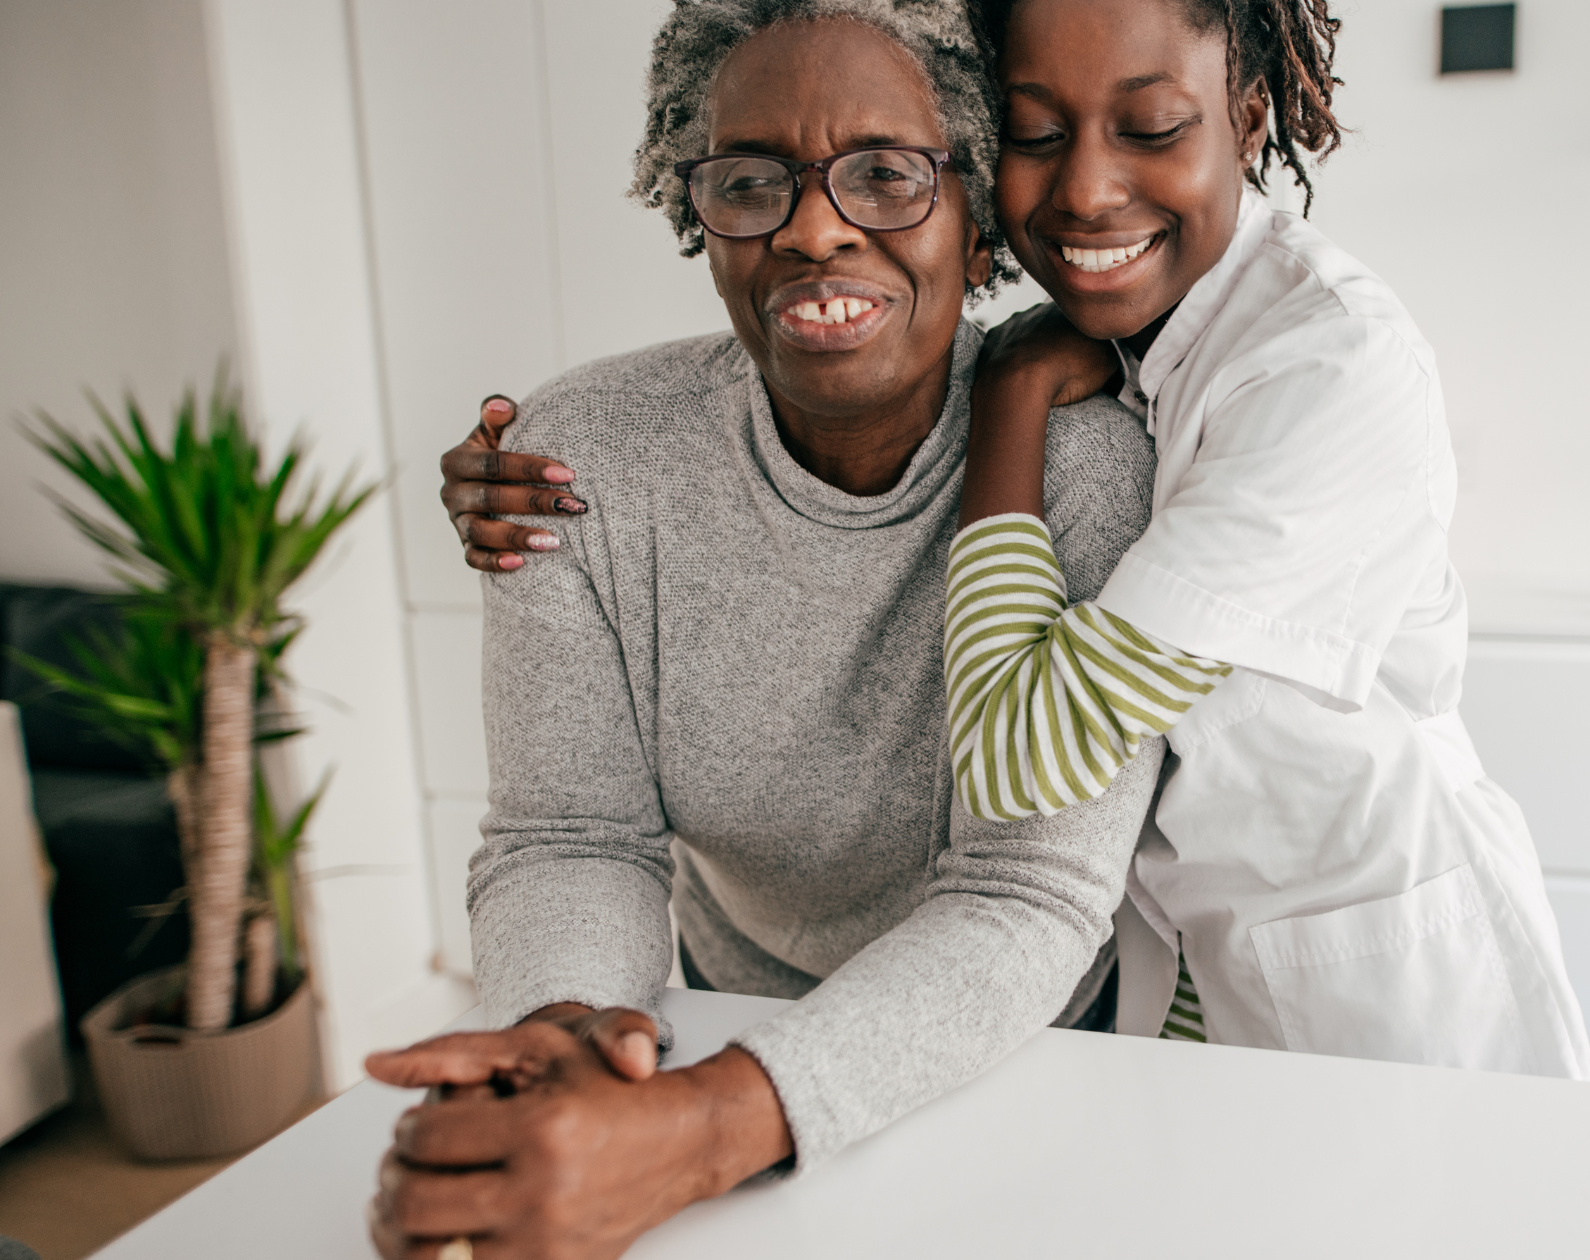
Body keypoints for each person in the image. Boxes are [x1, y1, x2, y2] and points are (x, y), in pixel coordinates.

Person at [366, 4, 1161, 1257]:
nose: (812, 227)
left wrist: (699, 1132)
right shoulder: (585, 463)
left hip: (1026, 1061)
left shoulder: (1090, 468)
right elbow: (571, 834)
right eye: (750, 181)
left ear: (974, 211)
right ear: (701, 214)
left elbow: (1026, 891)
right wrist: (565, 1035)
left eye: (886, 175)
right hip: (726, 1022)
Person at [944, 0, 1590, 1076]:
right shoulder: (1137, 338)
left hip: (1380, 997)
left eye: (1151, 128)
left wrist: (1008, 398)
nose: (1087, 190)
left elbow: (1023, 754)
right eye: (1036, 133)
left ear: (1247, 122)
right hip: (1199, 980)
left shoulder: (1327, 364)